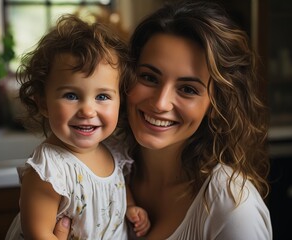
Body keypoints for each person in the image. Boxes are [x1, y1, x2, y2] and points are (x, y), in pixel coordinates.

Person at [55, 0, 273, 239]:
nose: (160, 103)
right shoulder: (88, 168)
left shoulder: (234, 209)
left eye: (188, 89)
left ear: (215, 104)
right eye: (149, 77)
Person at [5, 14, 150, 239]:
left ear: (121, 100)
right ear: (43, 103)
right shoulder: (49, 170)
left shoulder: (113, 149)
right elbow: (38, 233)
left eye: (102, 96)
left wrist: (130, 207)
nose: (87, 111)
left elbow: (116, 189)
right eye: (71, 95)